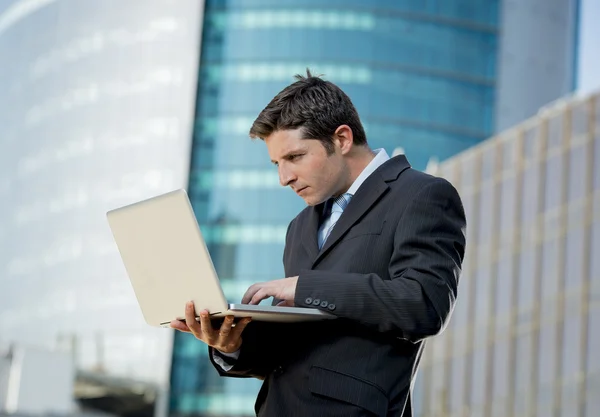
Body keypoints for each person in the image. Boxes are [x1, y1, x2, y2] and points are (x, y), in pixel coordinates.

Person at [170, 70, 467, 416]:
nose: (284, 178)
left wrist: (303, 286)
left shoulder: (421, 195)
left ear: (341, 139)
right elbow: (300, 347)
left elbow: (424, 305)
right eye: (276, 164)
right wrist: (232, 345)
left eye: (294, 157)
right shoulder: (299, 227)